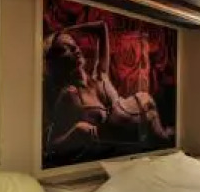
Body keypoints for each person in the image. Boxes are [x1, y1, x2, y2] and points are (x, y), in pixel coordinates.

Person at [42, 21, 174, 165]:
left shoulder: (101, 75)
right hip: (120, 154)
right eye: (65, 49)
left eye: (74, 44)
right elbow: (52, 146)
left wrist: (69, 28)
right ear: (57, 61)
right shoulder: (69, 95)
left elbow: (101, 27)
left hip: (149, 139)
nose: (75, 48)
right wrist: (76, 131)